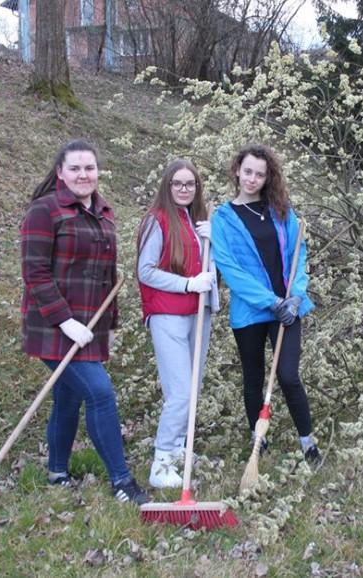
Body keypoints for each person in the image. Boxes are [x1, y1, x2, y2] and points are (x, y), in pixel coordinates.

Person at [20, 139, 147, 505]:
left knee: (68, 396)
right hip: (54, 327)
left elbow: (100, 272)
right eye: (75, 168)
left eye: (89, 168)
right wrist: (65, 321)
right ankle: (122, 482)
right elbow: (36, 274)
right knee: (100, 394)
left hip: (90, 326)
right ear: (60, 172)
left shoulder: (103, 211)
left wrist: (105, 321)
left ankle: (57, 472)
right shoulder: (44, 211)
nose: (83, 174)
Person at [211, 144, 321, 463]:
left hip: (288, 308)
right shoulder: (223, 218)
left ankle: (308, 443)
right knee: (253, 377)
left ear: (267, 177)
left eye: (260, 174)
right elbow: (230, 269)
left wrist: (296, 295)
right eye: (248, 172)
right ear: (237, 171)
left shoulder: (281, 210)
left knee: (288, 375)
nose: (253, 179)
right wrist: (270, 301)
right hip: (251, 311)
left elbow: (299, 254)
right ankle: (258, 440)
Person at [136, 159, 218, 488]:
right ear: (167, 186)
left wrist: (216, 241)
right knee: (180, 393)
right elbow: (146, 271)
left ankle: (182, 450)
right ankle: (162, 462)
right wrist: (187, 284)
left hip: (198, 314)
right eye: (178, 184)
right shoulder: (157, 221)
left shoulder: (198, 222)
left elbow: (211, 269)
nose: (184, 189)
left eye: (191, 184)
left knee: (193, 390)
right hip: (168, 312)